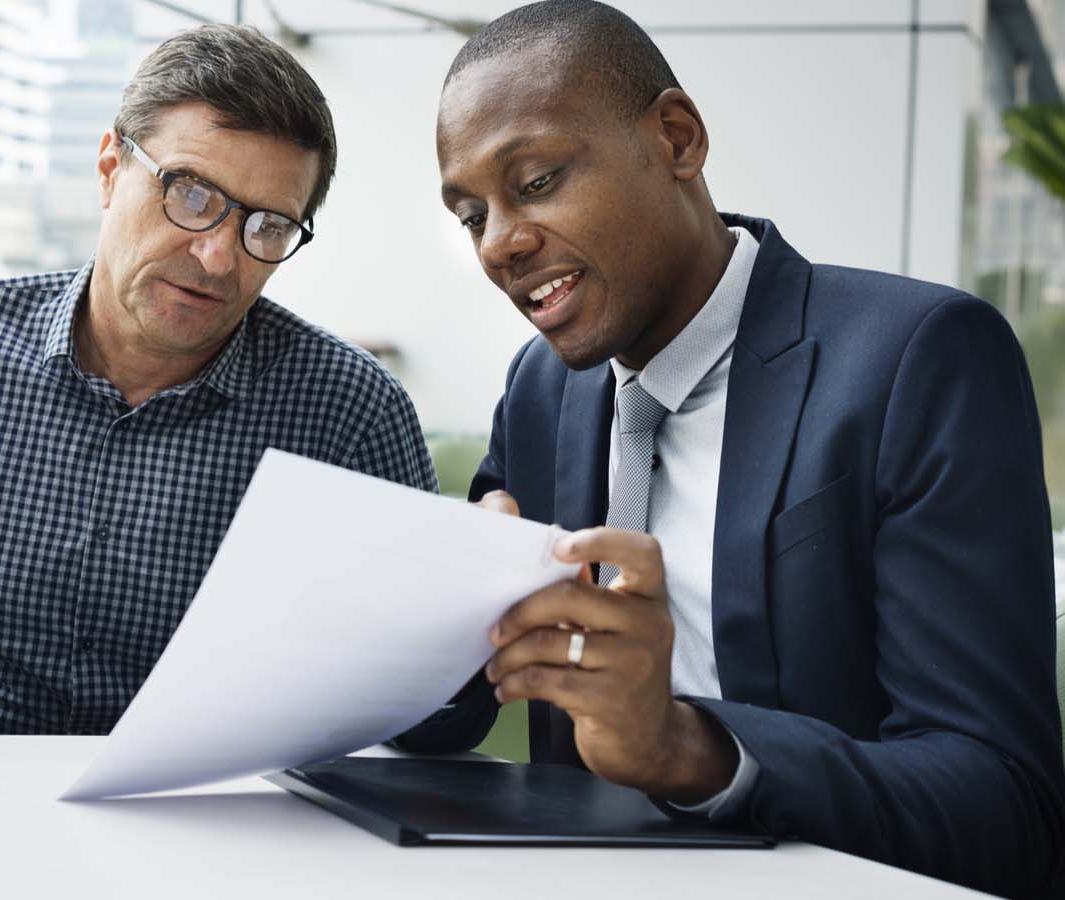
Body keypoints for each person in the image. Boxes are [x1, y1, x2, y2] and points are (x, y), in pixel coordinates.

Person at [401, 2, 1065, 895]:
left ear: (677, 139)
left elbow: (1006, 805)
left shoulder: (919, 359)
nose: (500, 245)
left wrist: (688, 749)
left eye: (539, 181)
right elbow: (453, 714)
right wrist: (421, 625)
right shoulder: (541, 387)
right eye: (470, 213)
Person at [0, 24, 436, 735]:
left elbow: (420, 699)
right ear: (110, 168)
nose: (219, 256)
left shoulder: (351, 413)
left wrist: (472, 627)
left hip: (203, 829)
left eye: (266, 227)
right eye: (191, 194)